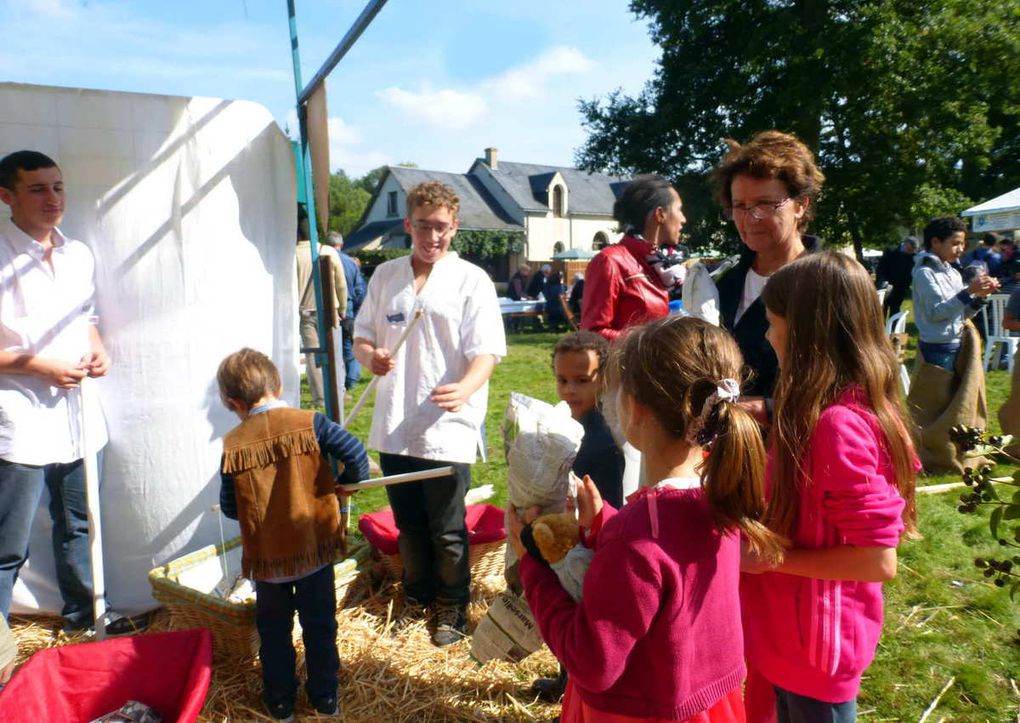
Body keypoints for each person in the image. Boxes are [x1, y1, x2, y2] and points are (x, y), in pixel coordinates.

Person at [510, 315, 784, 723]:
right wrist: (606, 523)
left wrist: (531, 564)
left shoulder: (637, 534)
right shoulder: (723, 497)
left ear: (634, 408)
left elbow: (592, 663)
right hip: (710, 704)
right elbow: (668, 561)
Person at [741, 251, 918, 722]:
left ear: (804, 334)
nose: (766, 334)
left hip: (814, 652)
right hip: (794, 642)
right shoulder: (839, 410)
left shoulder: (836, 426)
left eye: (773, 321)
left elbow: (877, 559)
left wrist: (772, 558)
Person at [353, 181, 506, 647]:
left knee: (447, 528)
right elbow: (361, 336)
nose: (432, 236)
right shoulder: (386, 277)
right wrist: (369, 356)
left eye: (441, 227)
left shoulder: (471, 279)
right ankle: (416, 598)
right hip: (396, 424)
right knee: (409, 526)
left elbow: (488, 352)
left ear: (454, 227)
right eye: (423, 226)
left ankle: (452, 607)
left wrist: (466, 387)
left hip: (445, 425)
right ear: (408, 225)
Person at [0, 150, 135, 635]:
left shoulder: (78, 253)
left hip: (79, 415)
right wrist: (38, 366)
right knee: (7, 544)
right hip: (18, 418)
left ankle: (88, 616)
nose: (52, 198)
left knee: (81, 523)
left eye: (57, 187)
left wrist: (98, 351)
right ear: (6, 196)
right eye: (37, 189)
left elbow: (86, 320)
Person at [217, 348, 369, 721]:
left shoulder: (233, 444)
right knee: (320, 625)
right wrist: (346, 483)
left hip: (268, 560)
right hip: (313, 548)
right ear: (279, 385)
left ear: (233, 402)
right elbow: (355, 451)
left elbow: (230, 507)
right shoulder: (310, 421)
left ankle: (281, 701)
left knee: (273, 633)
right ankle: (324, 697)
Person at [529, 330, 626, 704]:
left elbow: (609, 498)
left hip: (590, 544)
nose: (569, 390)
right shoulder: (563, 426)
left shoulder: (602, 439)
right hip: (564, 539)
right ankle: (566, 680)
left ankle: (577, 688)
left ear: (604, 379)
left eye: (582, 381)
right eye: (562, 380)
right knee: (568, 612)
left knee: (583, 618)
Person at [710, 130, 825, 420]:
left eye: (766, 204)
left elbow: (848, 390)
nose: (751, 218)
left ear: (801, 204)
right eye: (740, 206)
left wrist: (762, 409)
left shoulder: (827, 284)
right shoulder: (723, 283)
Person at [580, 175, 678, 341]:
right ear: (660, 214)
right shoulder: (610, 261)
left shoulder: (667, 265)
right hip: (628, 366)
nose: (684, 219)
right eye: (679, 209)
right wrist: (651, 343)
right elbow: (593, 334)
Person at [912, 217, 999, 371]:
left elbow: (962, 314)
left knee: (958, 395)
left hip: (958, 342)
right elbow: (936, 314)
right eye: (955, 243)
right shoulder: (924, 273)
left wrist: (981, 296)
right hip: (936, 348)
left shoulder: (953, 273)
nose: (960, 249)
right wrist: (969, 291)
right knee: (939, 395)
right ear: (935, 242)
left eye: (962, 244)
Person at [296, 213, 347, 408]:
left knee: (312, 355)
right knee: (335, 351)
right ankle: (338, 391)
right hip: (329, 309)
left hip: (305, 311)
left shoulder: (292, 253)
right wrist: (343, 307)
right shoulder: (328, 251)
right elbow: (340, 284)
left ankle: (320, 397)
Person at [328, 231, 367, 392]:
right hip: (349, 309)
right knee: (349, 344)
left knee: (332, 347)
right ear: (341, 244)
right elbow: (360, 289)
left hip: (330, 308)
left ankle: (337, 381)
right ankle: (351, 379)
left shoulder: (324, 260)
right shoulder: (351, 263)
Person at [876, 235, 919, 318]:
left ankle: (893, 329)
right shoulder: (890, 251)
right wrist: (882, 282)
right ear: (905, 244)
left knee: (895, 311)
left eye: (913, 250)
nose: (911, 252)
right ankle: (881, 329)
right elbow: (881, 268)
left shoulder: (914, 257)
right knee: (881, 310)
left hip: (900, 289)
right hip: (885, 286)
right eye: (909, 249)